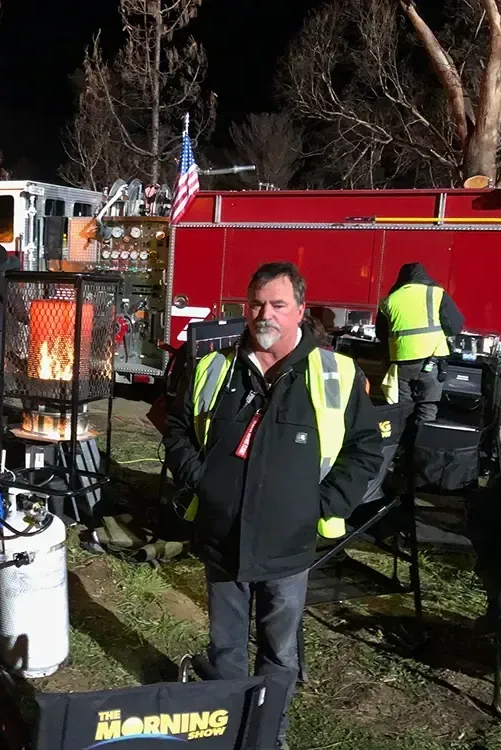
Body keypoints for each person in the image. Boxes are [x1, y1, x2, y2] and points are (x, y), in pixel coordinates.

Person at [163, 261, 382, 750]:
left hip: (289, 545)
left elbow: (366, 449)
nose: (266, 314)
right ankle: (224, 734)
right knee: (224, 650)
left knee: (279, 652)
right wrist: (202, 482)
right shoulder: (214, 367)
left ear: (300, 311)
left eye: (278, 305)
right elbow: (177, 429)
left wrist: (322, 504)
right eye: (257, 303)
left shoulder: (335, 374)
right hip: (223, 539)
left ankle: (267, 737)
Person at [376, 262, 464, 425]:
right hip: (431, 362)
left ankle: (401, 445)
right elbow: (455, 326)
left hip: (400, 364)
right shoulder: (436, 293)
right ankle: (421, 447)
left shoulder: (388, 300)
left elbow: (381, 335)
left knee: (402, 409)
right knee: (427, 408)